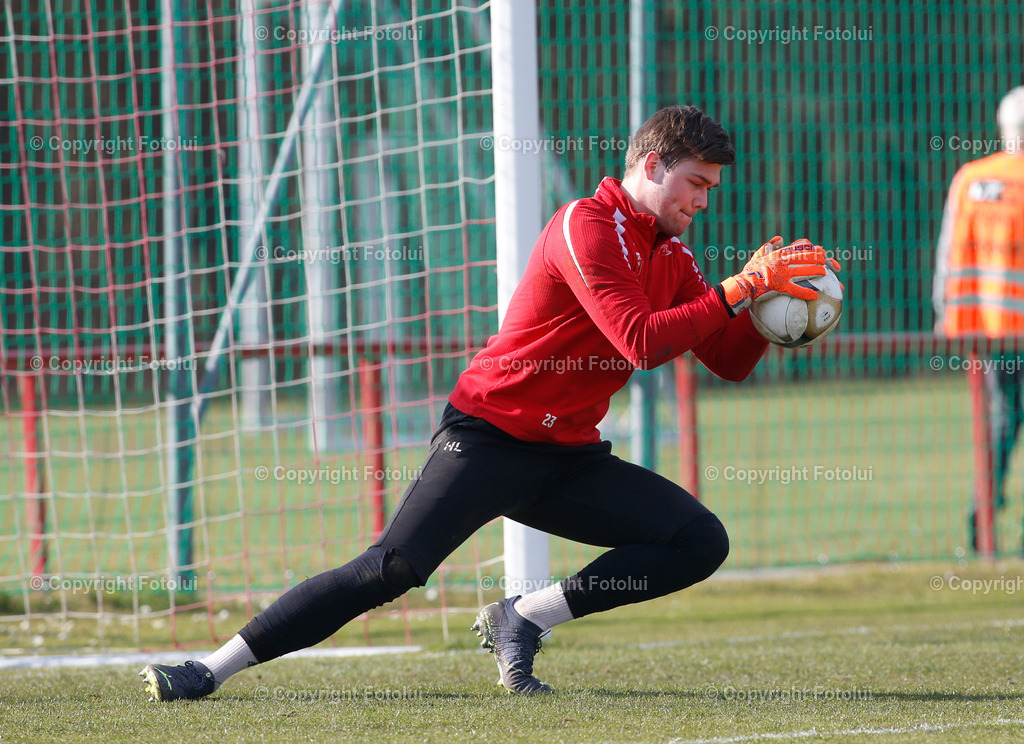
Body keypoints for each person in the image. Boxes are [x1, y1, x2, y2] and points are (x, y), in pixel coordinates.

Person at [140, 105, 837, 701]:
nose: (703, 200)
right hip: (488, 436)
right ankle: (208, 669)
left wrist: (780, 313)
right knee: (393, 568)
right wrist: (742, 289)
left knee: (698, 541)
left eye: (710, 188)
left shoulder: (672, 257)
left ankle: (524, 617)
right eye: (696, 183)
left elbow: (727, 361)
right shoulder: (586, 225)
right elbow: (640, 344)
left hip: (566, 457)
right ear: (652, 166)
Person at [933, 86, 1024, 553]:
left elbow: (950, 253)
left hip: (990, 331)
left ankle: (983, 514)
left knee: (1000, 422)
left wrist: (945, 314)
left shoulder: (971, 178)